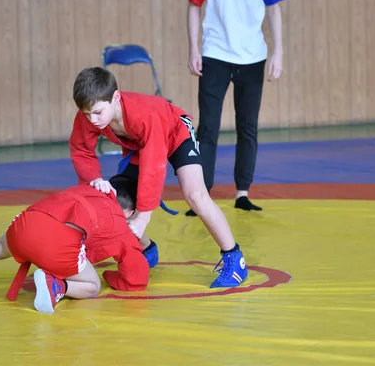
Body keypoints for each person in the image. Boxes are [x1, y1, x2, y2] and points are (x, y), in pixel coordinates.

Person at [68, 67, 247, 289]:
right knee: (114, 200)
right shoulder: (89, 112)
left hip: (175, 133)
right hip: (141, 144)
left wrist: (143, 218)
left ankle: (234, 257)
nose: (92, 120)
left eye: (97, 113)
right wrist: (94, 178)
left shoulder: (144, 114)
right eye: (87, 114)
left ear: (115, 97)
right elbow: (81, 149)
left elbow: (153, 169)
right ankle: (147, 249)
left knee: (196, 195)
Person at [0, 175, 150, 314]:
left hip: (28, 220)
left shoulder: (88, 189)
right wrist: (111, 277)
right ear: (129, 211)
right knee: (91, 285)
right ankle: (58, 287)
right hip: (58, 242)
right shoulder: (122, 224)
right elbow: (136, 277)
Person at [185, 0, 289, 216]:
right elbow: (194, 6)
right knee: (208, 127)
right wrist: (193, 49)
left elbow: (273, 7)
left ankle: (243, 192)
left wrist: (278, 52)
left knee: (247, 126)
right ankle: (203, 193)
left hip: (252, 56)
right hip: (214, 53)